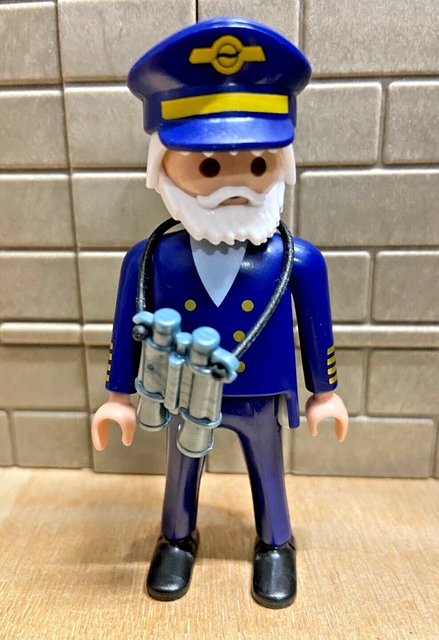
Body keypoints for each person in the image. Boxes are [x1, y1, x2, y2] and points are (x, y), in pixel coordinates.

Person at [91, 17, 348, 609]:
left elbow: (318, 327)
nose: (236, 183)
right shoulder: (151, 257)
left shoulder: (296, 259)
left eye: (257, 165)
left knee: (267, 467)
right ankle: (177, 538)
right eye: (208, 166)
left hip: (260, 389)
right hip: (183, 387)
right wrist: (118, 396)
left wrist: (325, 391)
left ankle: (275, 543)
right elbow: (126, 328)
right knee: (182, 465)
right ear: (163, 166)